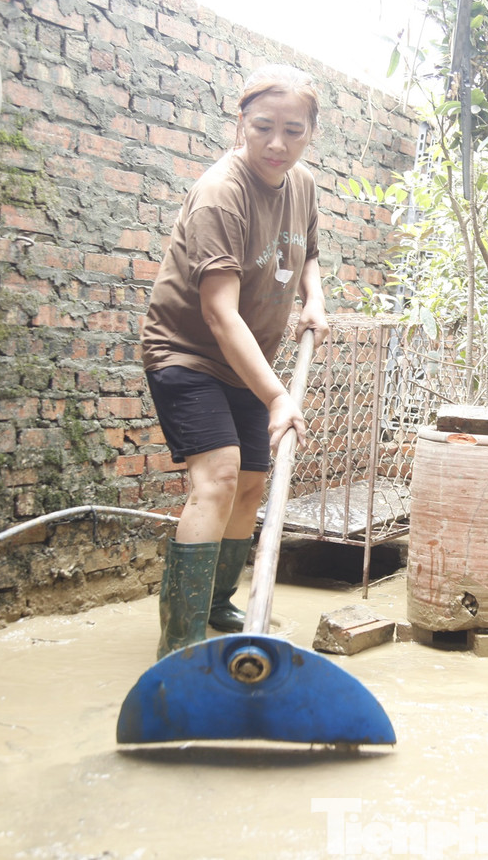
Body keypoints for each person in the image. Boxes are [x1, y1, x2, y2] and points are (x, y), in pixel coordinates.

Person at [140, 64, 329, 659]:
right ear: (240, 123)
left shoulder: (301, 185)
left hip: (250, 358)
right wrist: (277, 396)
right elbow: (220, 315)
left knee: (251, 485)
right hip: (189, 352)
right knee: (218, 477)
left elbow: (308, 254)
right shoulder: (221, 194)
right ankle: (181, 637)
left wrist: (314, 299)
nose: (278, 144)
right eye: (264, 128)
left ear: (310, 134)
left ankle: (218, 602)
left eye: (293, 131)